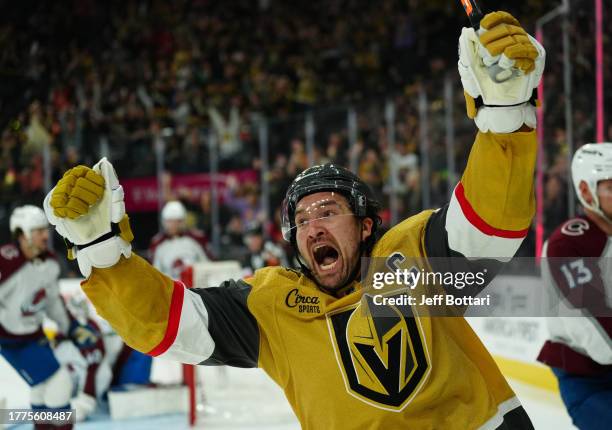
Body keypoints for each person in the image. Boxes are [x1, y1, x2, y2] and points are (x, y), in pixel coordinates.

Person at [43, 11, 544, 429]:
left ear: (366, 225)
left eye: (328, 211)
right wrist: (101, 253)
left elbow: (488, 226)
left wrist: (505, 116)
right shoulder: (272, 305)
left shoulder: (410, 257)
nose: (312, 227)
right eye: (301, 220)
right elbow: (170, 327)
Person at [537, 143, 612, 430]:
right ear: (585, 191)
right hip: (589, 382)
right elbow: (598, 333)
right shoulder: (568, 244)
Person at [0, 205, 85, 429]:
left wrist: (71, 327)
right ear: (22, 234)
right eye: (38, 231)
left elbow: (53, 303)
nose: (45, 235)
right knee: (60, 381)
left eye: (44, 230)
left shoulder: (49, 262)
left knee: (42, 387)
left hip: (33, 335)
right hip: (11, 341)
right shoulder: (5, 261)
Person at [149, 200, 210, 279]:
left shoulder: (196, 238)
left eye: (177, 221)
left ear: (183, 221)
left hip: (195, 286)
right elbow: (155, 273)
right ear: (164, 221)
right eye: (170, 221)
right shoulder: (157, 243)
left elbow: (206, 264)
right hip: (170, 287)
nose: (174, 225)